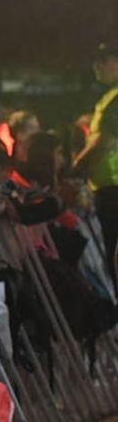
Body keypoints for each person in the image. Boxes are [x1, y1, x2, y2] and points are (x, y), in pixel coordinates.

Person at [74, 40, 118, 280]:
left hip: (113, 186)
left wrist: (77, 164)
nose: (96, 67)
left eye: (102, 61)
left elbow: (105, 140)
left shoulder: (115, 99)